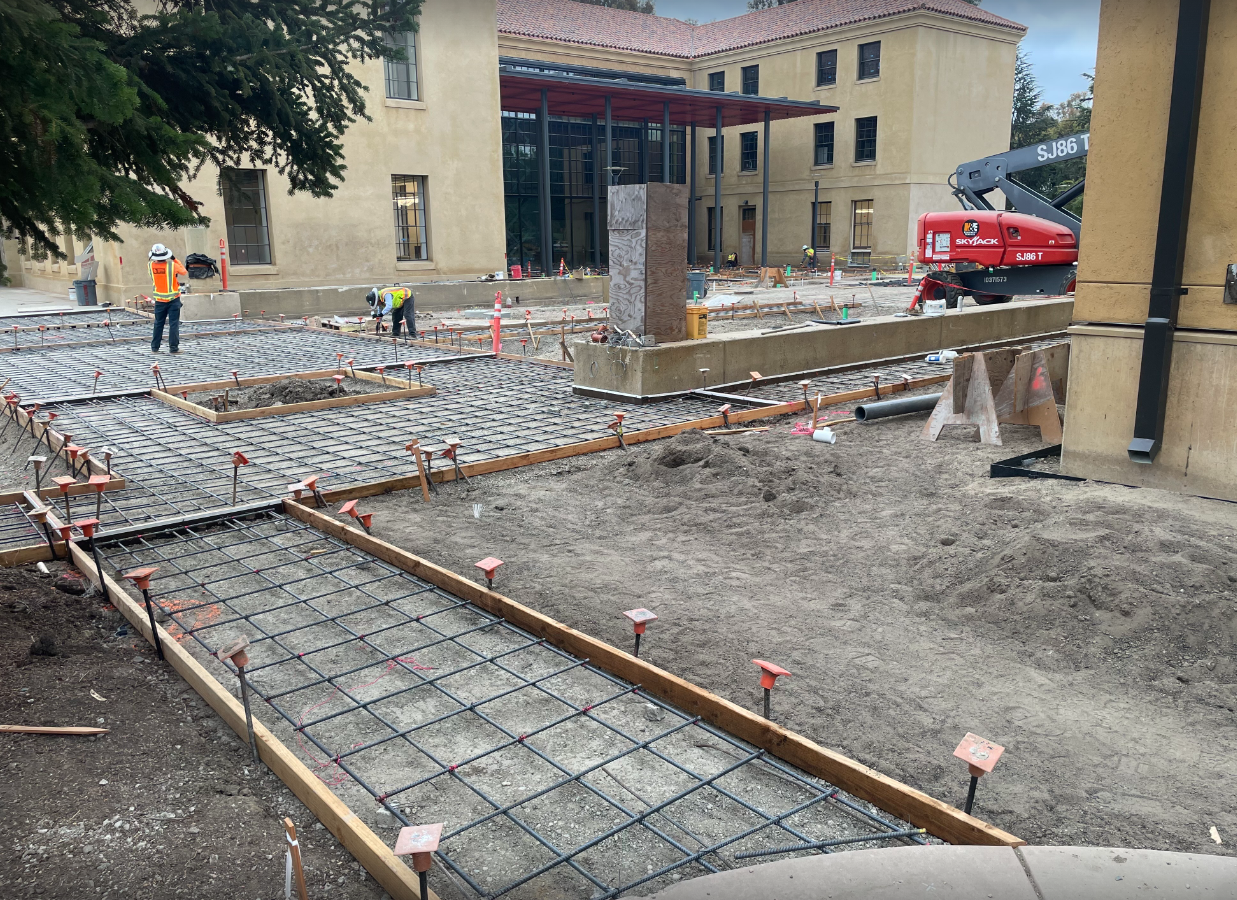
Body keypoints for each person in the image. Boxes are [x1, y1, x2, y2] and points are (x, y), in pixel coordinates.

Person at [147, 244, 187, 352]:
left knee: (158, 323)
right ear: (166, 255)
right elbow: (184, 271)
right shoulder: (172, 265)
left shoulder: (150, 265)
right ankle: (174, 348)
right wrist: (174, 259)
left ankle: (155, 347)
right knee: (173, 324)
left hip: (159, 300)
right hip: (173, 299)